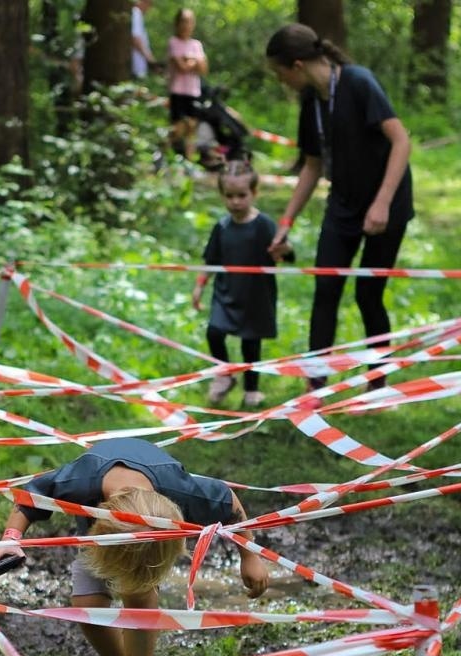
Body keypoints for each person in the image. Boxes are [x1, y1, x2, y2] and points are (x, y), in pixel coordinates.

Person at [0, 439, 270, 656]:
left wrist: (250, 555)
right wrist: (11, 539)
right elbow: (30, 498)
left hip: (149, 529)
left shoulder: (183, 491)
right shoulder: (79, 482)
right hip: (99, 533)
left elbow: (229, 503)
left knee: (139, 600)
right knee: (87, 605)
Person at [263, 24, 415, 394]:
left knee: (368, 294)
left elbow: (401, 141)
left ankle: (377, 387)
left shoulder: (359, 82)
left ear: (296, 65)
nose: (280, 80)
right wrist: (285, 223)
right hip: (342, 206)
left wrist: (381, 204)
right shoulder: (311, 102)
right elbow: (312, 166)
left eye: (279, 72)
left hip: (387, 205)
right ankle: (316, 388)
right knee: (326, 288)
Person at [192, 161, 293, 410]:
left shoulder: (264, 225)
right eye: (229, 196)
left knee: (251, 343)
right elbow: (211, 260)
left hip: (255, 295)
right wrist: (200, 286)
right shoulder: (222, 226)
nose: (235, 201)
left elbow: (286, 255)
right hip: (226, 292)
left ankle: (252, 389)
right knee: (214, 333)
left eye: (241, 195)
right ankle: (224, 374)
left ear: (254, 193)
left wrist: (284, 250)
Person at [166, 8, 208, 161]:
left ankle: (189, 161)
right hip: (177, 91)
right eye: (183, 21)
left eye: (189, 21)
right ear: (177, 23)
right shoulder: (173, 42)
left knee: (191, 127)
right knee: (176, 128)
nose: (186, 25)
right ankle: (164, 157)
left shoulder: (196, 44)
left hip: (193, 92)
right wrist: (194, 61)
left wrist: (188, 60)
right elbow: (181, 67)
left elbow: (203, 69)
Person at [131, 0, 155, 80]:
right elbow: (135, 39)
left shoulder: (136, 13)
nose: (149, 8)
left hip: (137, 67)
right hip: (136, 67)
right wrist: (150, 59)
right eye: (149, 3)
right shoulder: (136, 12)